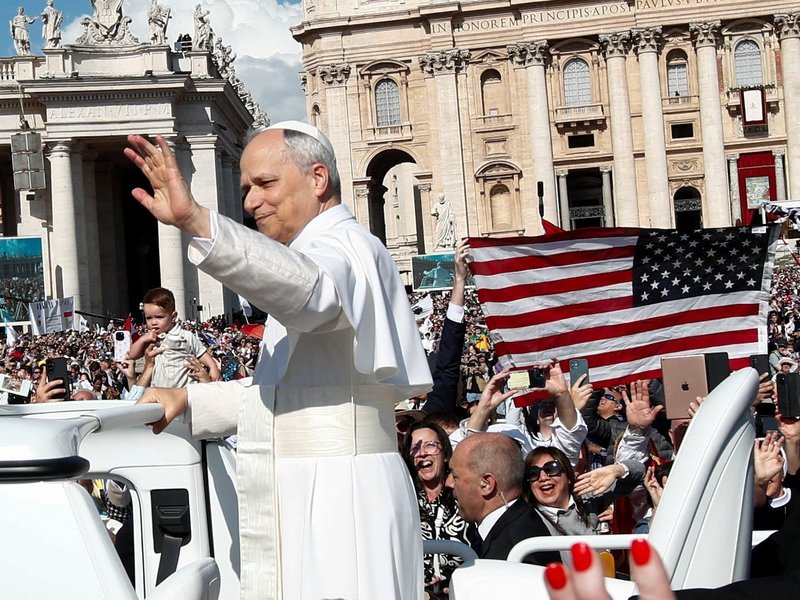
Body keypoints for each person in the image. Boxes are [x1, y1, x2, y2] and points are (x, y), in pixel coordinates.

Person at [124, 121, 432, 598]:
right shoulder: (316, 250)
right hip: (314, 487)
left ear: (317, 179)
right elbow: (288, 395)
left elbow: (311, 295)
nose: (248, 202)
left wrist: (199, 222)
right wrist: (188, 399)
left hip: (338, 498)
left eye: (265, 184)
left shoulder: (343, 248)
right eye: (246, 188)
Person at [446, 432, 559, 565]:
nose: (448, 483)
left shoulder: (517, 554)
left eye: (455, 476)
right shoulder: (515, 526)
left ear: (486, 484)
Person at [402, 421, 470, 597]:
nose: (422, 452)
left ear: (446, 455)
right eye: (415, 447)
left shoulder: (465, 496)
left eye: (430, 445)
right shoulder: (403, 500)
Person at [127, 287, 220, 388]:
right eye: (149, 318)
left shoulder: (185, 335)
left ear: (173, 316)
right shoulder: (150, 339)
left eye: (159, 317)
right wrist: (142, 339)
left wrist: (213, 367)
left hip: (184, 389)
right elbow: (132, 355)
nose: (153, 322)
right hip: (159, 391)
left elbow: (201, 353)